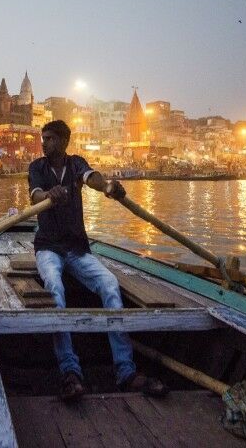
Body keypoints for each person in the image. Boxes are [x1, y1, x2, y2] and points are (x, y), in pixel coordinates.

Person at [28, 120, 168, 402]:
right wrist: (49, 195)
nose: (44, 143)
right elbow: (35, 197)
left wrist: (108, 187)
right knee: (54, 287)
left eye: (51, 139)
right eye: (43, 138)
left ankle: (126, 372)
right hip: (48, 248)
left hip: (78, 249)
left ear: (64, 142)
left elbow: (92, 177)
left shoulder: (76, 163)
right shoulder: (37, 168)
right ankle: (70, 372)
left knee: (109, 284)